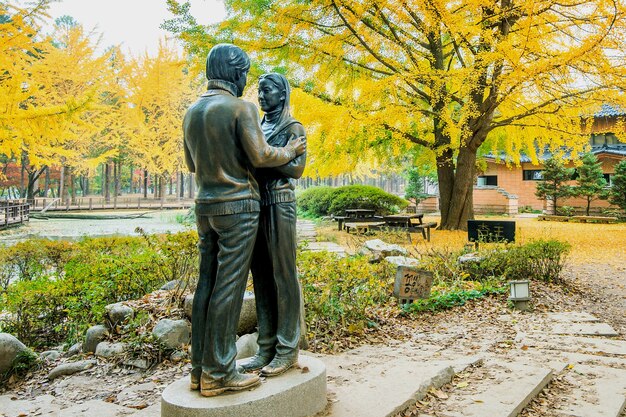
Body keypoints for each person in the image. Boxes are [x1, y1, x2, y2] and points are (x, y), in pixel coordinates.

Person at [183, 44, 306, 397]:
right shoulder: (241, 109)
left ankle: (200, 369)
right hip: (238, 208)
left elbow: (193, 165)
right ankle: (220, 372)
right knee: (229, 288)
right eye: (247, 76)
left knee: (206, 285)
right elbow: (261, 155)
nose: (251, 85)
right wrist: (289, 151)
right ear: (236, 72)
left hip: (205, 206)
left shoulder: (192, 111)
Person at [239, 73, 306, 377]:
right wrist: (271, 157)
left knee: (284, 275)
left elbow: (296, 169)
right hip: (255, 204)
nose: (261, 96)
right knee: (261, 276)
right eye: (259, 91)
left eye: (267, 91)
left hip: (280, 203)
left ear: (282, 94)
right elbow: (251, 161)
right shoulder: (256, 126)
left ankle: (287, 349)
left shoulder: (293, 127)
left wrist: (263, 158)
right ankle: (265, 348)